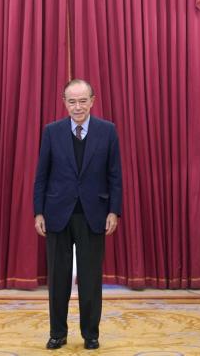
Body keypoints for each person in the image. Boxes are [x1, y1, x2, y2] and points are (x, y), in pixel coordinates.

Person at [33, 79, 122, 350]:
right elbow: (41, 176)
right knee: (58, 279)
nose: (77, 107)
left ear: (92, 101)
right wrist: (38, 212)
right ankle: (57, 333)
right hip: (57, 215)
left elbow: (115, 175)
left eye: (83, 101)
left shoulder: (108, 131)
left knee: (91, 279)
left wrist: (114, 211)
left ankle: (90, 334)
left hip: (93, 215)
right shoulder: (52, 131)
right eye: (72, 101)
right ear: (64, 103)